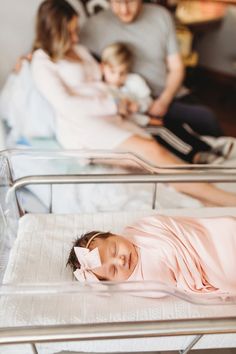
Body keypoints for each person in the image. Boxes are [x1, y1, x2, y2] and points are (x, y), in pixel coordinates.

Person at [29, 0, 236, 206]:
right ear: (54, 33)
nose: (76, 37)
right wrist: (114, 104)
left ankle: (205, 192)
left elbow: (103, 77)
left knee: (156, 150)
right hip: (84, 126)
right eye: (70, 32)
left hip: (113, 114)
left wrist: (123, 100)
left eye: (75, 30)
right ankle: (226, 199)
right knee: (151, 151)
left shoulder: (79, 50)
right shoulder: (42, 62)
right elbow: (67, 105)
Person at [80, 0, 223, 138]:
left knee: (207, 120)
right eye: (117, 2)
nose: (124, 10)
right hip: (132, 103)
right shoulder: (94, 26)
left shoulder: (161, 16)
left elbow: (177, 68)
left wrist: (164, 101)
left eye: (130, 2)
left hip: (168, 95)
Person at [100, 42, 233, 164]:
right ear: (102, 67)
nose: (117, 78)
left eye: (122, 73)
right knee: (162, 132)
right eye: (113, 72)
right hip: (137, 124)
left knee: (177, 125)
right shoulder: (104, 91)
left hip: (148, 115)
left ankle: (208, 147)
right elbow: (122, 118)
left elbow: (148, 101)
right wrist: (147, 121)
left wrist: (139, 105)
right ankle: (196, 156)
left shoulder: (133, 81)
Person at [67, 213, 236, 298]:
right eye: (113, 270)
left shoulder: (140, 228)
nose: (120, 260)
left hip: (207, 237)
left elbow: (169, 225)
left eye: (115, 250)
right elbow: (164, 285)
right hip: (210, 266)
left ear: (114, 234)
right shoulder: (138, 283)